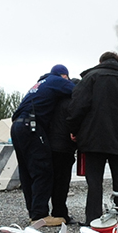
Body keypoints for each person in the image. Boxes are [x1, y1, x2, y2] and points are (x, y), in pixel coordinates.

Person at [67, 52, 118, 226]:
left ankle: (93, 219)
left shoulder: (91, 78)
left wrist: (73, 129)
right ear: (117, 62)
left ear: (100, 62)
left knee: (95, 182)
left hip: (94, 139)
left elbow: (77, 106)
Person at [10, 65, 75, 226]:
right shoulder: (57, 80)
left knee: (26, 171)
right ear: (64, 76)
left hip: (17, 126)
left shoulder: (41, 83)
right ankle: (40, 215)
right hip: (31, 127)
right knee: (43, 170)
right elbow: (77, 92)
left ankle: (33, 213)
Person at [47, 77, 81, 224]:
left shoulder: (56, 103)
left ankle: (46, 212)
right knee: (62, 183)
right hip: (64, 148)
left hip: (52, 146)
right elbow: (73, 125)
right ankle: (60, 213)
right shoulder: (72, 105)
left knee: (52, 181)